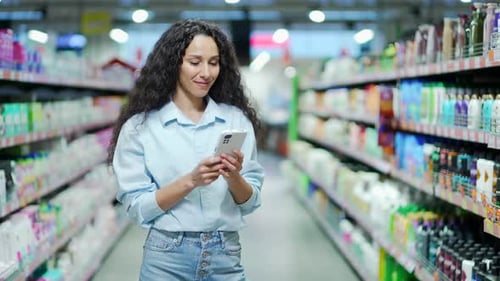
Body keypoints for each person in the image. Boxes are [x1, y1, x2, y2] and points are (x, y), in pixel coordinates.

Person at [107, 19, 265, 280]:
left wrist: (234, 176)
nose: (206, 72)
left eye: (213, 62)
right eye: (195, 62)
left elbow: (250, 203)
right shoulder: (140, 127)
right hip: (166, 258)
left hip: (225, 255)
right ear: (174, 63)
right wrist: (191, 181)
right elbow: (137, 207)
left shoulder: (236, 120)